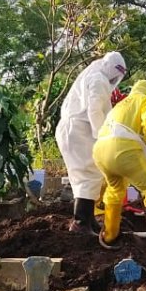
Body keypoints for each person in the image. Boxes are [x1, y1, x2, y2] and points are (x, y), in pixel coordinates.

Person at [93, 80, 146, 253]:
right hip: (123, 149)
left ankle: (110, 234)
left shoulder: (120, 105)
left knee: (115, 189)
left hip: (100, 151)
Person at [56, 52, 127, 234]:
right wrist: (102, 136)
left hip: (78, 130)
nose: (115, 79)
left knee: (91, 174)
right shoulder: (98, 79)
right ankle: (80, 223)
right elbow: (95, 110)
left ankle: (88, 220)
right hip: (78, 131)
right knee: (87, 174)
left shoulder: (95, 76)